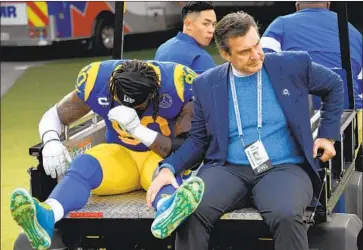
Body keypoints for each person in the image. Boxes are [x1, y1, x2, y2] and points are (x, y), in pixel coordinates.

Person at [147, 12, 344, 250]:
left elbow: (334, 85)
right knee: (190, 213)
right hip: (228, 169)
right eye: (244, 52)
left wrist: (327, 135)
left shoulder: (292, 65)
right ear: (225, 54)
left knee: (286, 215)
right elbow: (198, 140)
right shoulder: (207, 84)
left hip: (284, 168)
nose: (256, 55)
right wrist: (169, 168)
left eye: (257, 44)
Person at [9, 59, 205, 250]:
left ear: (154, 94)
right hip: (120, 155)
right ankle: (47, 216)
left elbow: (191, 146)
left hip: (159, 156)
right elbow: (56, 114)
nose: (130, 111)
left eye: (138, 107)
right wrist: (51, 140)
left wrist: (138, 130)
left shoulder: (178, 83)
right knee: (84, 164)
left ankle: (167, 209)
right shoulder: (98, 80)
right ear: (112, 88)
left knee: (163, 174)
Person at [261, 1, 362, 109]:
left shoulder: (280, 25)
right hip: (348, 115)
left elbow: (258, 68)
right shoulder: (354, 33)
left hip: (297, 112)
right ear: (328, 4)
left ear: (297, 6)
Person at [154, 1, 217, 74]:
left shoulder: (162, 48)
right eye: (205, 24)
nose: (211, 30)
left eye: (213, 24)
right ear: (188, 24)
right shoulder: (200, 58)